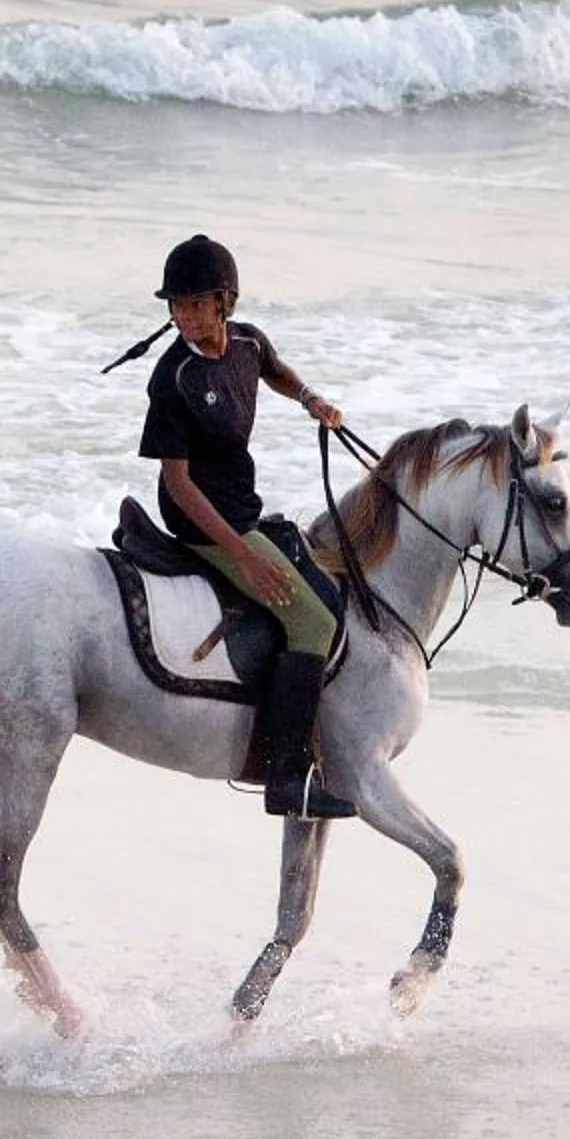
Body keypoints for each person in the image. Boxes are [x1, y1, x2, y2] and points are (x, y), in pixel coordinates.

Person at [126, 234, 357, 820]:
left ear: (224, 302)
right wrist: (242, 554)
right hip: (204, 523)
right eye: (175, 305)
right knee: (313, 619)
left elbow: (275, 371)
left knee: (328, 593)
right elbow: (178, 485)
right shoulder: (172, 378)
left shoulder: (247, 342)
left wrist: (312, 400)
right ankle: (285, 779)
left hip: (243, 507)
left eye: (195, 304)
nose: (183, 316)